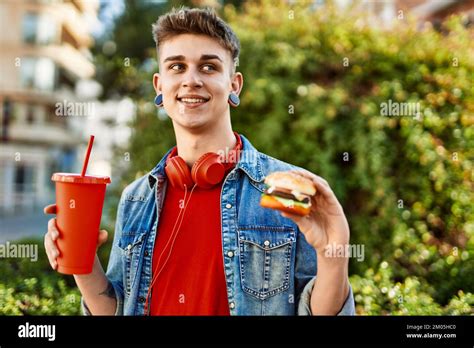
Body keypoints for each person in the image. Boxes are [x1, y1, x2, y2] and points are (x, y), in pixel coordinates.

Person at [44, 7, 355, 316]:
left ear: (234, 85)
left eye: (208, 67)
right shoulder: (137, 198)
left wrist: (333, 256)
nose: (191, 80)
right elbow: (115, 309)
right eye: (177, 67)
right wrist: (82, 262)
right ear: (159, 86)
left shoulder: (285, 189)